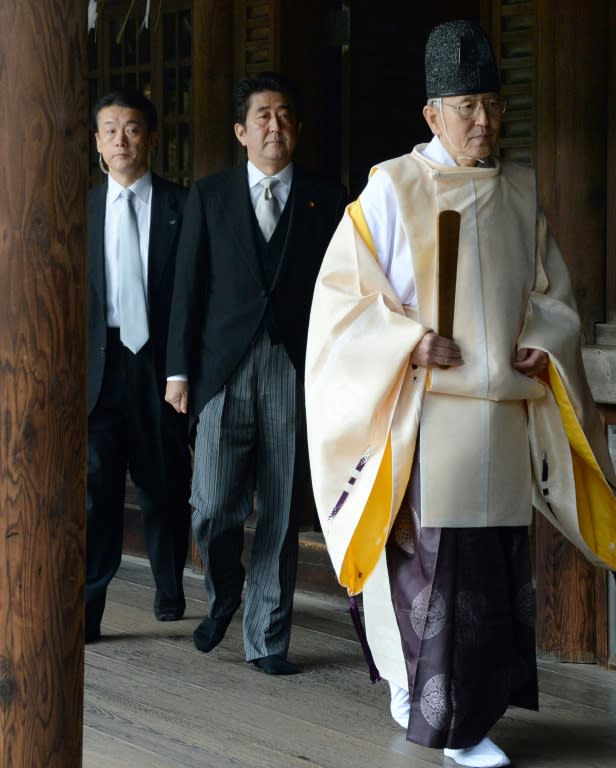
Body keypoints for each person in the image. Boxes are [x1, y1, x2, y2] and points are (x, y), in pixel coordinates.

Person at [305, 19, 616, 768]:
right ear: (432, 114)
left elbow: (552, 295)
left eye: (491, 103)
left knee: (497, 567)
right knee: (437, 572)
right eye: (467, 105)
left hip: (501, 414)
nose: (484, 120)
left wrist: (544, 339)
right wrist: (407, 341)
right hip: (427, 415)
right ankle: (453, 727)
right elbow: (343, 301)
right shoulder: (392, 189)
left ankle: (455, 709)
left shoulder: (518, 193)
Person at [165, 72, 347, 675]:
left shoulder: (328, 197)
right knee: (213, 504)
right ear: (242, 131)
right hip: (223, 368)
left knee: (279, 507)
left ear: (296, 128)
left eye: (285, 115)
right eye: (263, 116)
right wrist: (177, 372)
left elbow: (344, 293)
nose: (276, 125)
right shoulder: (210, 195)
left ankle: (268, 638)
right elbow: (186, 290)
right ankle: (225, 593)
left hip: (295, 368)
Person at [87, 89, 192, 643]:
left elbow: (192, 296)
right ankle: (88, 610)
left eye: (131, 128)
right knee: (95, 491)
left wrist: (181, 370)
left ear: (150, 137)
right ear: (98, 143)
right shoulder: (79, 209)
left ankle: (169, 590)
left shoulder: (181, 206)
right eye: (110, 130)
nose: (121, 139)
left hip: (158, 365)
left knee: (164, 485)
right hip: (99, 367)